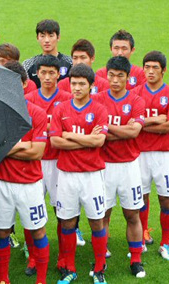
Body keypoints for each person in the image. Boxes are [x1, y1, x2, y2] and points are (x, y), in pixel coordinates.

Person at [0, 61, 50, 284]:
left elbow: (37, 152)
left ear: (25, 84)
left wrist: (5, 147)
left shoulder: (37, 113)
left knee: (37, 232)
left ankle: (41, 280)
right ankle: (4, 279)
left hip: (29, 184)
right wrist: (22, 146)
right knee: (2, 232)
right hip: (1, 184)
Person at [50, 64, 109, 284]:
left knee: (97, 222)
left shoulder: (100, 110)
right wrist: (86, 140)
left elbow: (99, 141)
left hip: (92, 175)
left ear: (91, 86)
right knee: (67, 223)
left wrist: (70, 136)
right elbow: (55, 141)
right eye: (73, 83)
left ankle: (100, 268)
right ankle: (70, 268)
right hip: (67, 175)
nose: (76, 87)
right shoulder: (61, 109)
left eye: (81, 84)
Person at [92, 56, 146, 277]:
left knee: (132, 214)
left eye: (120, 76)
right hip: (103, 167)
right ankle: (100, 260)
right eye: (111, 75)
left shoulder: (136, 101)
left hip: (129, 167)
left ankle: (136, 260)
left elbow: (134, 132)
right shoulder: (97, 100)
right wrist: (122, 129)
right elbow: (97, 134)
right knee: (102, 215)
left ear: (128, 78)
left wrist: (106, 129)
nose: (114, 80)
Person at [24, 55, 72, 274]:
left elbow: (69, 125)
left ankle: (63, 258)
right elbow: (27, 127)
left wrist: (44, 124)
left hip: (59, 162)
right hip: (34, 162)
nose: (47, 77)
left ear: (59, 74)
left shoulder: (67, 97)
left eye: (52, 72)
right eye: (43, 72)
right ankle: (33, 257)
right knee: (29, 210)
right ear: (37, 74)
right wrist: (52, 123)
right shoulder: (29, 97)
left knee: (61, 211)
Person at [133, 51, 169, 260]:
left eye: (155, 67)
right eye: (147, 67)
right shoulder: (134, 94)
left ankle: (164, 243)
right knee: (141, 199)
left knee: (166, 200)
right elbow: (131, 124)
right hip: (140, 154)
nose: (150, 71)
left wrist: (142, 125)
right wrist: (155, 121)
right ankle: (142, 239)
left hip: (164, 155)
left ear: (163, 70)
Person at [23, 19, 72, 88]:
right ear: (37, 38)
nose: (47, 40)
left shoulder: (71, 63)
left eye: (51, 36)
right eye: (42, 36)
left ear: (58, 37)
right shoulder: (28, 65)